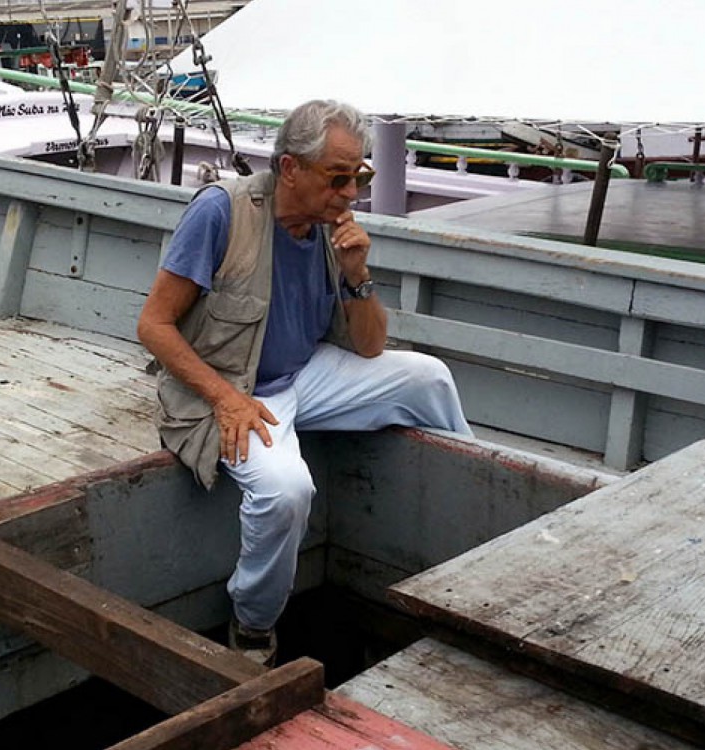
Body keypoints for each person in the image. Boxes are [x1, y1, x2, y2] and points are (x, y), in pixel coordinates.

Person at [137, 99, 472, 665]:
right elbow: (153, 325)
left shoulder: (326, 231)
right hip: (235, 388)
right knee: (286, 491)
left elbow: (369, 347)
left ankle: (468, 520)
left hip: (303, 375)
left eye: (359, 177)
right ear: (291, 169)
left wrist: (358, 275)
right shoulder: (223, 212)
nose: (350, 193)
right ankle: (252, 628)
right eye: (338, 177)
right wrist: (224, 398)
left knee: (428, 377)